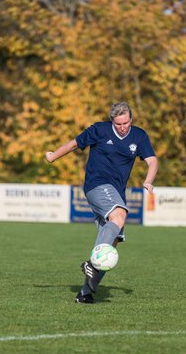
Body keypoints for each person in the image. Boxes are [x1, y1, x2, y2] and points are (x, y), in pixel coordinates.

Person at [46, 101, 158, 304]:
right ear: (112, 122)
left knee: (111, 243)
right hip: (96, 185)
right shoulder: (99, 130)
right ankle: (91, 263)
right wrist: (53, 156)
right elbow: (74, 144)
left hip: (116, 191)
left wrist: (148, 180)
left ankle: (85, 293)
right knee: (120, 215)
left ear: (131, 119)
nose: (123, 127)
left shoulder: (139, 136)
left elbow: (152, 160)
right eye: (118, 124)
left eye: (126, 123)